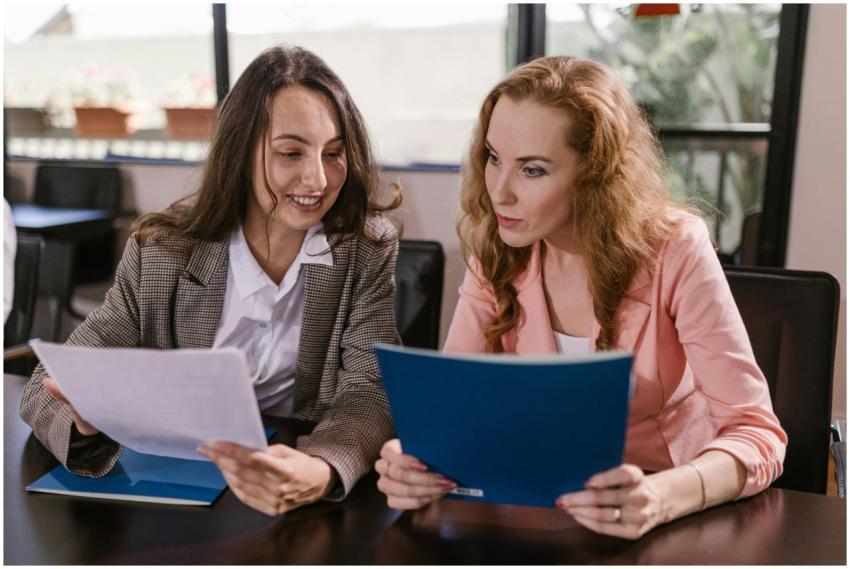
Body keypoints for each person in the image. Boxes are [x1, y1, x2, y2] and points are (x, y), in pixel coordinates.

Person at [374, 56, 787, 539]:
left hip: (662, 512)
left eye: (532, 170)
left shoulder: (676, 249)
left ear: (595, 176)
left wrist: (659, 498)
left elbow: (757, 432)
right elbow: (452, 417)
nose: (499, 193)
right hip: (532, 506)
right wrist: (410, 462)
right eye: (493, 158)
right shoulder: (498, 249)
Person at [21, 45, 401, 517]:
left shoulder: (364, 248)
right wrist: (86, 425)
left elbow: (370, 388)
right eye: (290, 153)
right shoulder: (162, 252)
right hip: (181, 496)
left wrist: (321, 468)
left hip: (296, 491)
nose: (318, 178)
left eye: (333, 153)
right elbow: (44, 387)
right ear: (240, 153)